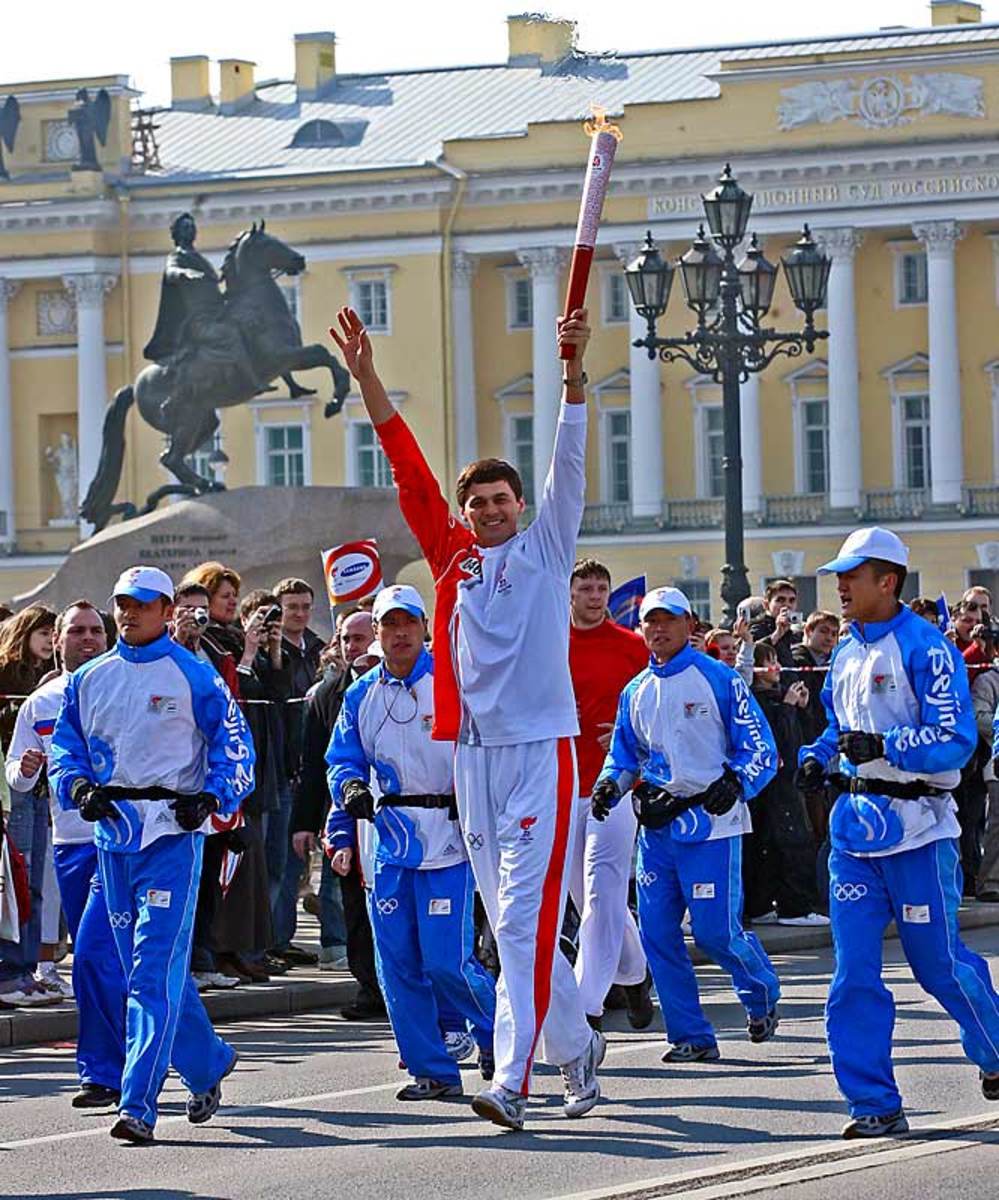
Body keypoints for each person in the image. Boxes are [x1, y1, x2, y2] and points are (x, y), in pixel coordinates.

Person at [330, 304, 603, 1132]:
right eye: (476, 502)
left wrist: (572, 369)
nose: (488, 511)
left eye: (499, 499)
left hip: (541, 755)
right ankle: (577, 1049)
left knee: (518, 924)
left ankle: (513, 1081)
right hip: (472, 763)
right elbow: (408, 469)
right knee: (514, 929)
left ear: (521, 504)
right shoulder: (451, 560)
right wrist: (367, 378)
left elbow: (570, 458)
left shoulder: (549, 547)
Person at [796, 527, 999, 1138]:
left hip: (919, 832)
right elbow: (838, 723)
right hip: (855, 838)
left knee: (937, 966)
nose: (840, 586)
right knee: (853, 973)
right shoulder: (847, 651)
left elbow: (958, 740)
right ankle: (874, 1103)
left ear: (887, 581)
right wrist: (818, 753)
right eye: (839, 576)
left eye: (852, 575)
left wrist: (888, 747)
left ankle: (993, 1049)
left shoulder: (927, 648)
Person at [49, 566, 255, 1143]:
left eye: (142, 604)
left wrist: (212, 797)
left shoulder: (195, 674)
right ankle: (208, 1062)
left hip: (172, 835)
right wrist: (78, 788)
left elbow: (235, 747)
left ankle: (137, 1104)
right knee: (146, 972)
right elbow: (66, 749)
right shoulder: (89, 678)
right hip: (113, 837)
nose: (129, 613)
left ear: (167, 611)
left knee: (149, 974)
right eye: (123, 603)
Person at [591, 586, 781, 1065]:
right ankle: (691, 1035)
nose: (658, 629)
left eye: (668, 620)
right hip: (658, 829)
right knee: (657, 933)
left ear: (689, 624)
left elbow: (762, 751)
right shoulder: (635, 691)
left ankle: (760, 991)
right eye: (650, 621)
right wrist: (610, 785)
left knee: (716, 933)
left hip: (712, 824)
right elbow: (624, 755)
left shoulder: (718, 679)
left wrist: (735, 783)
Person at [325, 585, 497, 1100]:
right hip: (390, 839)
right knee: (396, 963)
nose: (400, 633)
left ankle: (499, 1037)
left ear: (424, 627)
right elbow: (342, 758)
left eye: (408, 623)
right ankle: (431, 1069)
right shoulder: (360, 695)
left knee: (447, 960)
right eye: (389, 625)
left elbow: (485, 752)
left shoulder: (452, 684)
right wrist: (349, 785)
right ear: (376, 633)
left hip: (448, 838)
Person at [4, 600, 126, 1100]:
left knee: (100, 955)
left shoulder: (127, 687)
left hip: (129, 841)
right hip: (71, 840)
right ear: (57, 641)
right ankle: (145, 1062)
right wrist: (29, 769)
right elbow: (14, 770)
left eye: (95, 630)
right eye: (75, 631)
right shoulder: (42, 701)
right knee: (101, 957)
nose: (87, 638)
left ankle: (105, 1070)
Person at [566, 558, 651, 1031]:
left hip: (615, 787)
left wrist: (622, 736)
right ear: (571, 593)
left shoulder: (633, 648)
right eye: (586, 588)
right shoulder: (550, 644)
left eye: (602, 588)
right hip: (561, 787)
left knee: (602, 893)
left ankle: (586, 1007)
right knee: (593, 900)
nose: (595, 596)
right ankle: (635, 973)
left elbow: (651, 711)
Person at [293, 609, 386, 1017]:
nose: (353, 647)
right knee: (352, 905)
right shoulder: (328, 693)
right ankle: (369, 986)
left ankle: (404, 987)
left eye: (361, 638)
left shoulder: (413, 686)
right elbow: (315, 765)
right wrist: (303, 823)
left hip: (401, 817)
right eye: (346, 639)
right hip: (348, 817)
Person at [0, 604, 58, 1009]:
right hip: (15, 787)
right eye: (44, 633)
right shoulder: (8, 675)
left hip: (40, 790)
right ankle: (12, 970)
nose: (50, 641)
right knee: (17, 885)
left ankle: (30, 968)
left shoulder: (47, 677)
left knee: (34, 883)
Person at [746, 643, 827, 927]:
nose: (776, 668)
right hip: (775, 784)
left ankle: (765, 903)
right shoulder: (760, 700)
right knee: (789, 844)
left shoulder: (778, 697)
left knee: (777, 844)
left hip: (787, 781)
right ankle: (793, 907)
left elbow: (803, 737)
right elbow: (776, 741)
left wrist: (800, 708)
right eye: (769, 663)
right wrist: (788, 708)